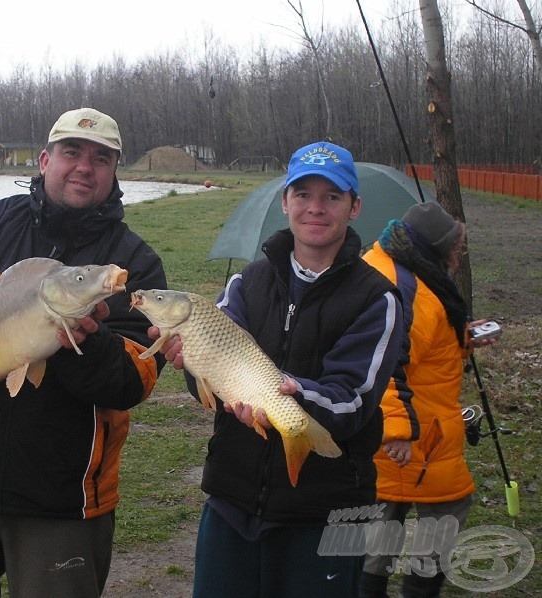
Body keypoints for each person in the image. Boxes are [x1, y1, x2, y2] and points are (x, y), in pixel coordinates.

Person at [0, 107, 167, 598]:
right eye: (71, 152)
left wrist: (80, 340)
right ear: (45, 160)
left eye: (101, 158)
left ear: (115, 173)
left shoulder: (133, 263)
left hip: (64, 498)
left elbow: (135, 380)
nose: (84, 167)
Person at [149, 141, 407, 597]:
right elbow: (211, 379)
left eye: (332, 196)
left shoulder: (377, 297)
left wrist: (289, 394)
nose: (315, 208)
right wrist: (190, 365)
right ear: (285, 201)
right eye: (303, 194)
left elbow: (352, 400)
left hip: (324, 512)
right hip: (232, 499)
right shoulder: (248, 282)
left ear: (354, 207)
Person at [359, 201, 492, 598]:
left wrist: (463, 337)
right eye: (454, 247)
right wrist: (397, 432)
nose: (456, 256)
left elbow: (421, 345)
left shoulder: (400, 267)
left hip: (405, 430)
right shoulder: (406, 288)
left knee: (376, 537)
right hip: (413, 438)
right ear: (434, 247)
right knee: (443, 517)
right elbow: (384, 365)